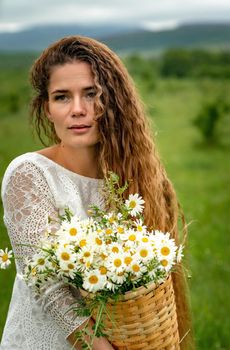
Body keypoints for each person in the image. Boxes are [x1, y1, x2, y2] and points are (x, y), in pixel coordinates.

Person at [0, 36, 193, 349]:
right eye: (62, 97)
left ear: (113, 104)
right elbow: (48, 287)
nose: (78, 110)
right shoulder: (29, 174)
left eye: (91, 94)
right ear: (47, 108)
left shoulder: (131, 178)